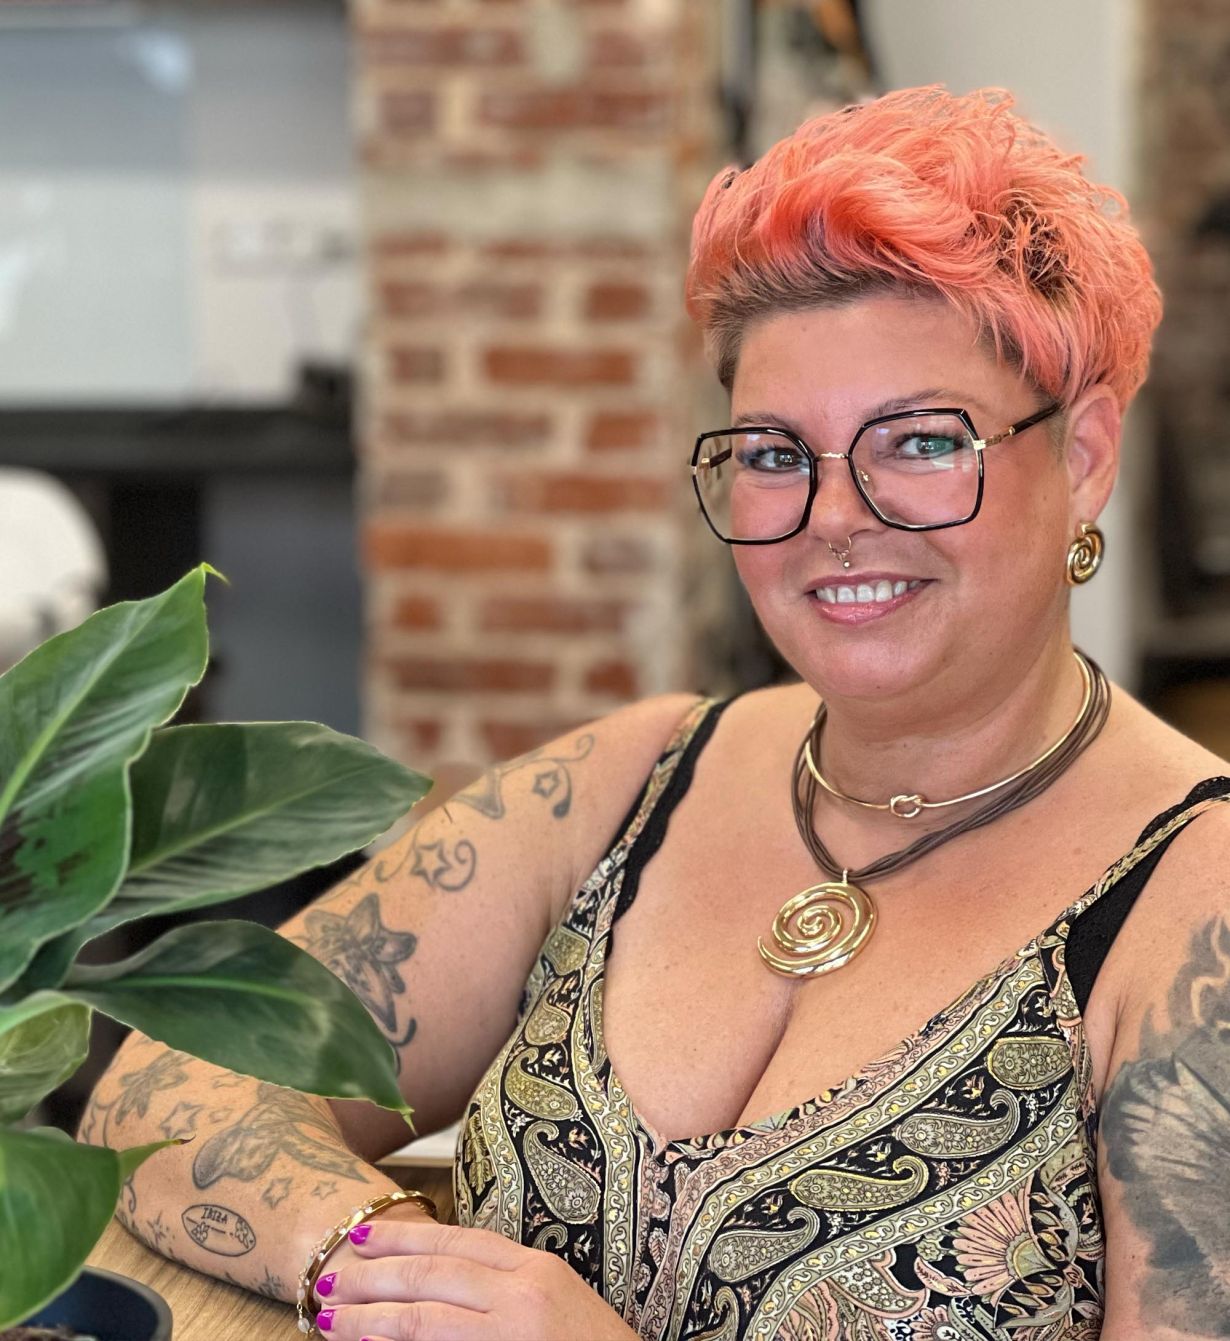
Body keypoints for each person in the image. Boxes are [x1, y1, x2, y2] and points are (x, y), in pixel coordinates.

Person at [84, 86, 1230, 1340]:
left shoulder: (1196, 905)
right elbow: (174, 1074)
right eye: (775, 454)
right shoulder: (630, 780)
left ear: (1083, 457)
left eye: (917, 442)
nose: (834, 518)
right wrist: (383, 1268)